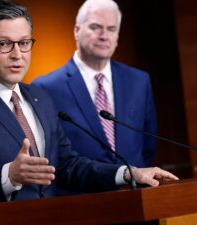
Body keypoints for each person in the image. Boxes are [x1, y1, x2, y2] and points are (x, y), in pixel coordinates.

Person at [0, 1, 177, 224]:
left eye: (24, 43)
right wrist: (10, 175)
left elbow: (68, 166)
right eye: (4, 44)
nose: (17, 54)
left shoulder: (40, 98)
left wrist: (128, 173)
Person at [32, 0, 157, 167]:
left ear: (117, 36)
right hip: (82, 191)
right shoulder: (45, 88)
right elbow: (52, 154)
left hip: (135, 189)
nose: (104, 36)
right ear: (77, 30)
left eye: (111, 29)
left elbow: (148, 144)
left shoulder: (139, 81)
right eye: (95, 27)